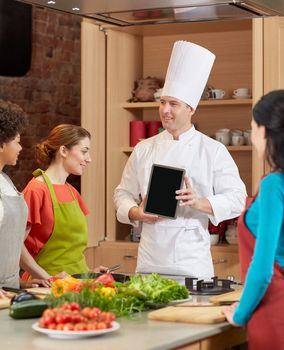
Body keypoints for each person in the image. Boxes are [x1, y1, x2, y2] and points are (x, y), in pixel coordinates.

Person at [114, 41, 247, 279]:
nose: (165, 110)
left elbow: (237, 199)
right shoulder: (144, 149)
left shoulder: (213, 150)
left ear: (191, 109)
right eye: (163, 102)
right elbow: (122, 194)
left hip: (192, 264)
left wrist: (199, 202)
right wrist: (136, 212)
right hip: (149, 263)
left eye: (173, 104)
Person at [223, 90, 284, 348]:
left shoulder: (274, 185)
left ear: (264, 131)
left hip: (273, 310)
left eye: (252, 128)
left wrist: (240, 313)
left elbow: (262, 268)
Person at [21, 124, 106, 280]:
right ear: (64, 151)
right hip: (46, 287)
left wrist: (89, 272)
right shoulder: (36, 191)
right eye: (84, 151)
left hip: (77, 283)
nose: (89, 159)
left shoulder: (72, 192)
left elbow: (71, 251)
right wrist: (48, 279)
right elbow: (16, 246)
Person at [0, 99, 48, 296]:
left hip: (9, 293)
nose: (20, 148)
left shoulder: (5, 181)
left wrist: (21, 283)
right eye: (17, 141)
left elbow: (10, 242)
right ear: (1, 144)